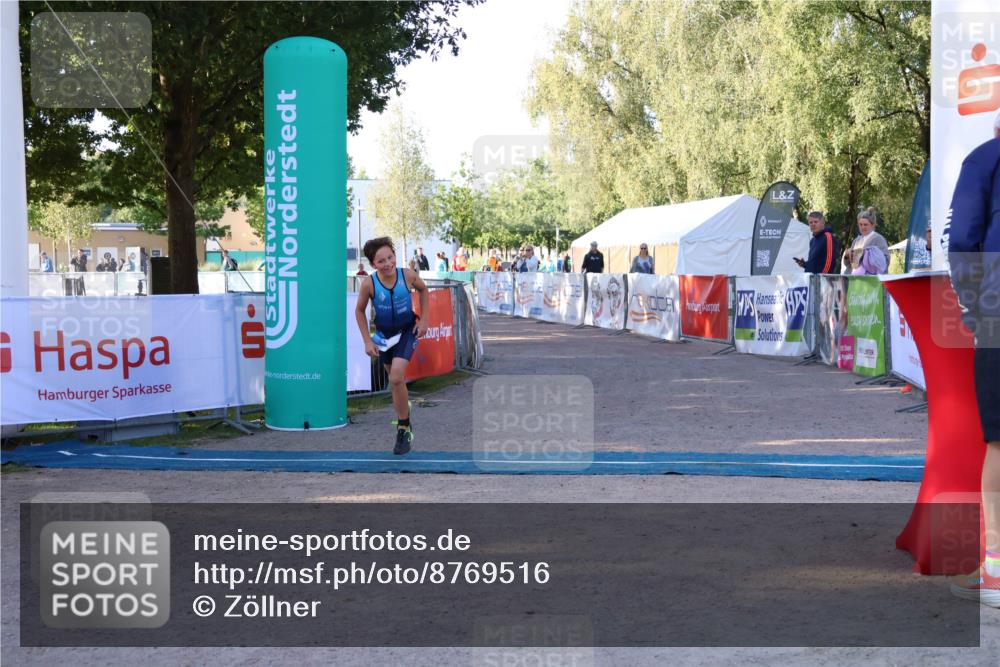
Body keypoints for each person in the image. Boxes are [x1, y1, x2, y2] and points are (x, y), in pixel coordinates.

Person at [947, 126, 1000, 608]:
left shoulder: (985, 159)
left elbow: (962, 239)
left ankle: (997, 571)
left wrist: (972, 307)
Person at [354, 236, 429, 455]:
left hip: (407, 331)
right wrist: (367, 340)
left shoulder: (407, 275)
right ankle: (404, 416)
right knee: (396, 383)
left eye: (390, 257)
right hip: (384, 336)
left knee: (396, 377)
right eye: (381, 261)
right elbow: (359, 311)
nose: (387, 263)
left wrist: (424, 320)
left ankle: (403, 428)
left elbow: (424, 291)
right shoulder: (369, 283)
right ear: (372, 264)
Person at [845, 208, 889, 275]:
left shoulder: (879, 240)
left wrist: (864, 255)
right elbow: (849, 265)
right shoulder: (856, 241)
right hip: (856, 281)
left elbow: (885, 262)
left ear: (873, 225)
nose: (862, 227)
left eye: (865, 224)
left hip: (872, 281)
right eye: (860, 224)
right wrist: (847, 256)